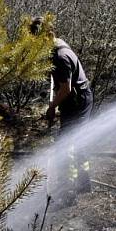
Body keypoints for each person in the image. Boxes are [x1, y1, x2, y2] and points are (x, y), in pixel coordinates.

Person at [30, 17, 93, 194]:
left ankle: (69, 190)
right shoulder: (56, 46)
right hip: (74, 99)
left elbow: (66, 88)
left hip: (78, 100)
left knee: (68, 143)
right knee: (75, 141)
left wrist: (52, 107)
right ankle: (83, 184)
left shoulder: (60, 56)